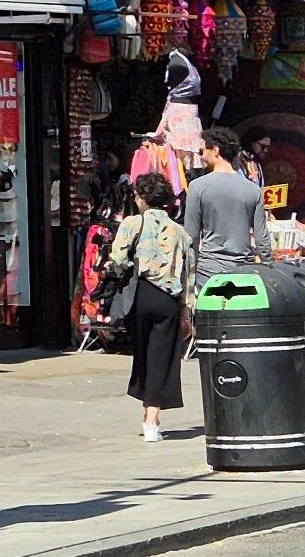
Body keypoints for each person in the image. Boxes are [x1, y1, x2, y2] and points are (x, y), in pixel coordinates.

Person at [104, 172, 195, 443]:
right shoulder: (180, 231)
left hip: (139, 296)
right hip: (167, 299)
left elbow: (118, 258)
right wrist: (186, 309)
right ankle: (151, 421)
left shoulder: (132, 223)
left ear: (142, 197)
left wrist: (120, 268)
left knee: (142, 355)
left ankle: (148, 412)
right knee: (162, 357)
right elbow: (188, 274)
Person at [184, 127, 272, 284]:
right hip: (244, 270)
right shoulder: (253, 190)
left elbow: (192, 236)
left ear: (215, 150)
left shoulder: (197, 187)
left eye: (202, 151)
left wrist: (189, 274)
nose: (201, 157)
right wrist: (268, 268)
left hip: (209, 272)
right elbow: (262, 237)